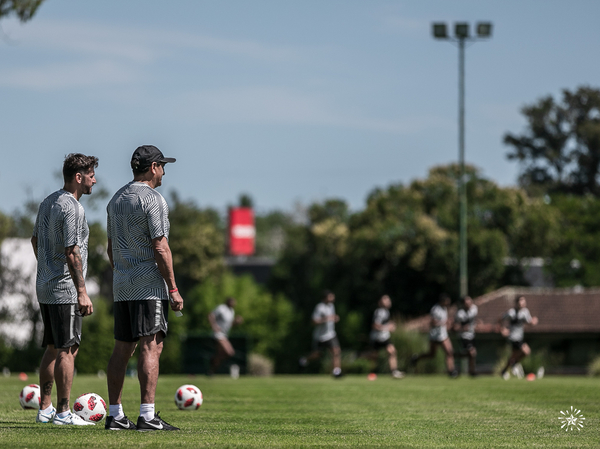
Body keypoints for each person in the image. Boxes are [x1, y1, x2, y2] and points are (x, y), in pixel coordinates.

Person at [105, 145, 183, 431]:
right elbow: (161, 248)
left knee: (122, 349)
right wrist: (173, 289)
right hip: (148, 286)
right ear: (153, 168)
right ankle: (147, 416)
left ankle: (115, 415)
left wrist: (121, 275)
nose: (164, 172)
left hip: (122, 283)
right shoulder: (153, 200)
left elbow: (110, 248)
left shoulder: (116, 199)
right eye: (162, 166)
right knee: (151, 346)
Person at [32, 153, 98, 426]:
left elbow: (35, 240)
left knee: (52, 346)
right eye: (91, 174)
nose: (95, 179)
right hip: (65, 289)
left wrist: (47, 267)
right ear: (78, 177)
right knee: (67, 349)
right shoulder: (72, 207)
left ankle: (45, 409)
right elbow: (72, 252)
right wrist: (81, 291)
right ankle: (62, 412)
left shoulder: (48, 202)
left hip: (45, 286)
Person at [410, 293, 458, 378]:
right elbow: (433, 322)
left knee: (449, 352)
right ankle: (417, 358)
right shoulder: (435, 309)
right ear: (442, 301)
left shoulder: (444, 309)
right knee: (431, 355)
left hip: (443, 335)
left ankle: (451, 371)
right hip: (435, 335)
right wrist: (444, 323)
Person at [299, 290, 343, 378]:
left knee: (336, 351)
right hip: (320, 336)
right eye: (331, 297)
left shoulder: (331, 306)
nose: (332, 299)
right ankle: (304, 359)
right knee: (317, 355)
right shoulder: (319, 307)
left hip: (330, 334)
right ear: (325, 297)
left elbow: (332, 317)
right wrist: (325, 319)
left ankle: (336, 372)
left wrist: (335, 318)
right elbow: (314, 321)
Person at [498, 296, 538, 380]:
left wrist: (533, 322)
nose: (522, 304)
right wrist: (503, 329)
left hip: (520, 337)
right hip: (513, 337)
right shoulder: (511, 312)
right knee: (525, 351)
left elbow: (529, 322)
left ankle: (505, 370)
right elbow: (500, 319)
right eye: (521, 302)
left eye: (523, 302)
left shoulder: (525, 312)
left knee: (514, 355)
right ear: (517, 303)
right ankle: (513, 365)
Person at [368, 295, 404, 379]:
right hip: (376, 337)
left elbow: (384, 324)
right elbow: (375, 325)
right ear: (380, 302)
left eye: (389, 300)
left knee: (392, 351)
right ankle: (372, 372)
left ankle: (394, 371)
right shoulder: (379, 312)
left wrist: (390, 325)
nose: (388, 301)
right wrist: (388, 327)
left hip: (384, 337)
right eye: (386, 300)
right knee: (374, 357)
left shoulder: (386, 311)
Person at [207, 297, 243, 375]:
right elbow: (211, 315)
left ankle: (212, 368)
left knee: (222, 354)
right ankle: (213, 362)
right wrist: (214, 326)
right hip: (218, 334)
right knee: (229, 352)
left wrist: (236, 322)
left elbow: (229, 325)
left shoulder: (232, 311)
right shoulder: (221, 308)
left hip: (224, 335)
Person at [453, 296, 478, 377]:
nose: (469, 304)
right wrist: (463, 328)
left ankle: (455, 355)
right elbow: (455, 327)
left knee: (470, 354)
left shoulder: (474, 309)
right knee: (472, 352)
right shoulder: (460, 313)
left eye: (470, 302)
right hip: (464, 336)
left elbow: (475, 320)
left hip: (472, 335)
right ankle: (472, 371)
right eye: (467, 303)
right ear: (463, 304)